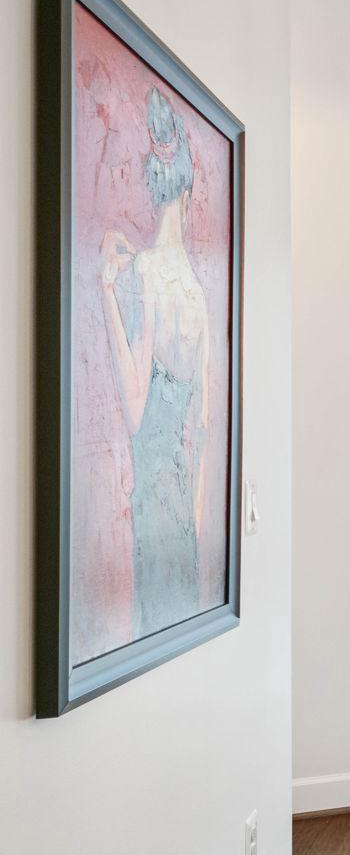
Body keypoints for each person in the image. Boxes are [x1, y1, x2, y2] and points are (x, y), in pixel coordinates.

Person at [99, 86, 212, 637]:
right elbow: (204, 426)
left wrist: (105, 294)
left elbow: (137, 409)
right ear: (188, 198)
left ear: (155, 196)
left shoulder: (144, 273)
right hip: (181, 507)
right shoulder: (198, 296)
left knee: (152, 631)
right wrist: (194, 514)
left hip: (151, 495)